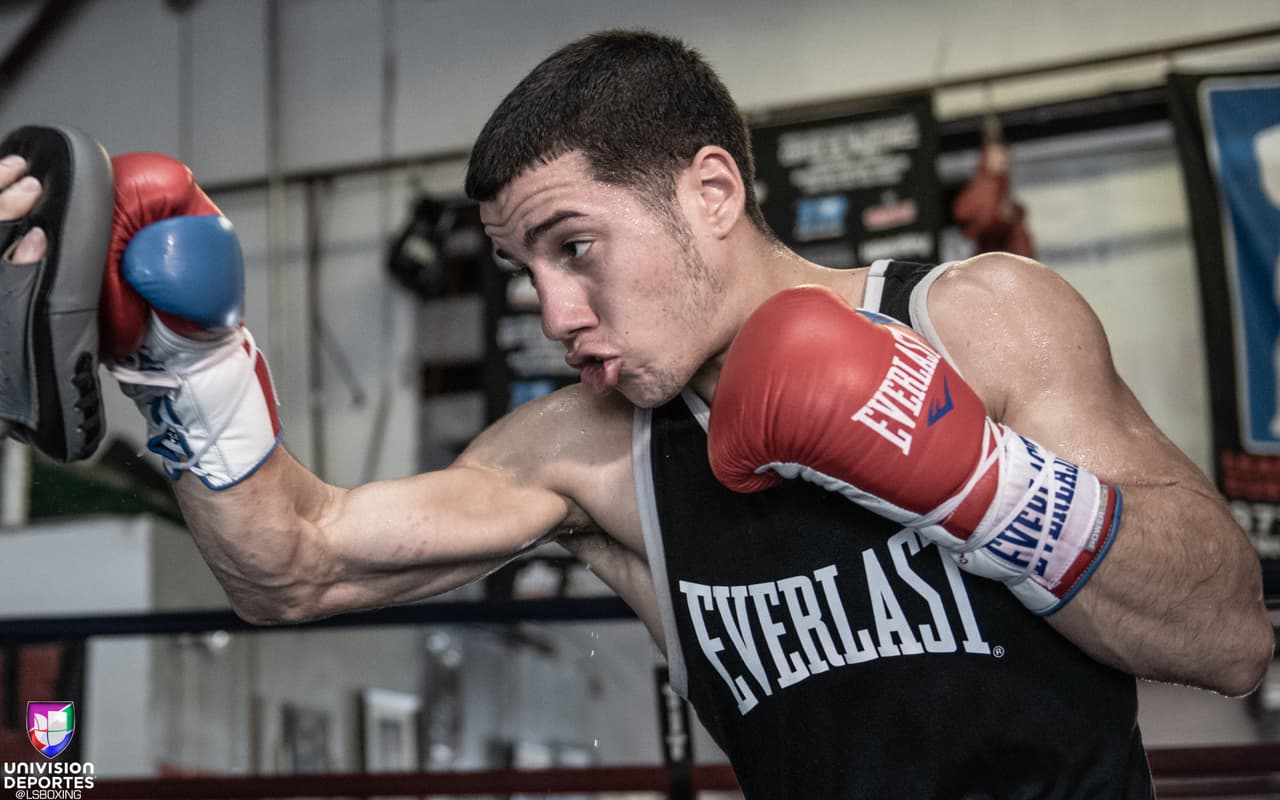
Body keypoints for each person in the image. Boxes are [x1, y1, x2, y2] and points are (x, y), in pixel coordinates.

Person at [1, 29, 1274, 798]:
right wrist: (192, 367)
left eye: (574, 246)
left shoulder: (976, 323)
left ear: (709, 190)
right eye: (525, 271)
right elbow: (292, 563)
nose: (555, 312)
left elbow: (1227, 633)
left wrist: (980, 482)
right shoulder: (591, 450)